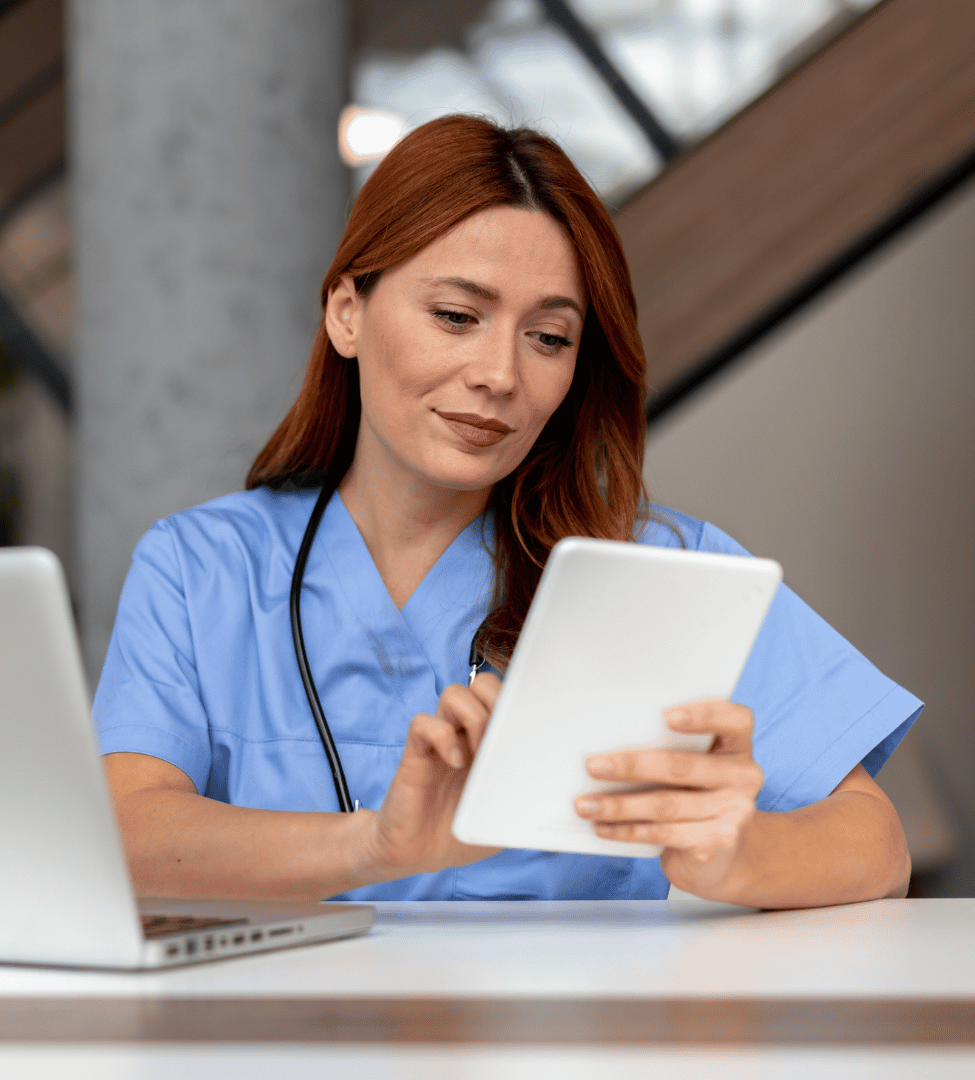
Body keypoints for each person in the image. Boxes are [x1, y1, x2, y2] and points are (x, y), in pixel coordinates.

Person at [93, 115, 920, 909]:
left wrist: (739, 855)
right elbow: (125, 838)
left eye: (550, 338)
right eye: (456, 316)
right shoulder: (202, 567)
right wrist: (374, 846)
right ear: (347, 311)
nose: (500, 374)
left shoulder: (663, 571)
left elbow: (878, 845)